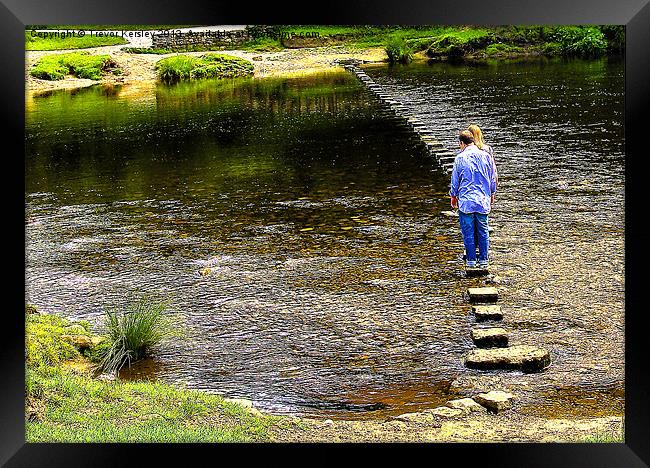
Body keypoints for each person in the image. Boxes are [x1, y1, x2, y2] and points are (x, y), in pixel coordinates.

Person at [450, 130, 497, 269]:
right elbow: (492, 177)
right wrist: (492, 193)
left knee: (468, 232)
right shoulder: (486, 156)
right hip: (482, 200)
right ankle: (484, 261)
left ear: (462, 143)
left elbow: (455, 181)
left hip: (466, 201)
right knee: (483, 232)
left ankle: (471, 261)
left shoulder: (460, 158)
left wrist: (453, 196)